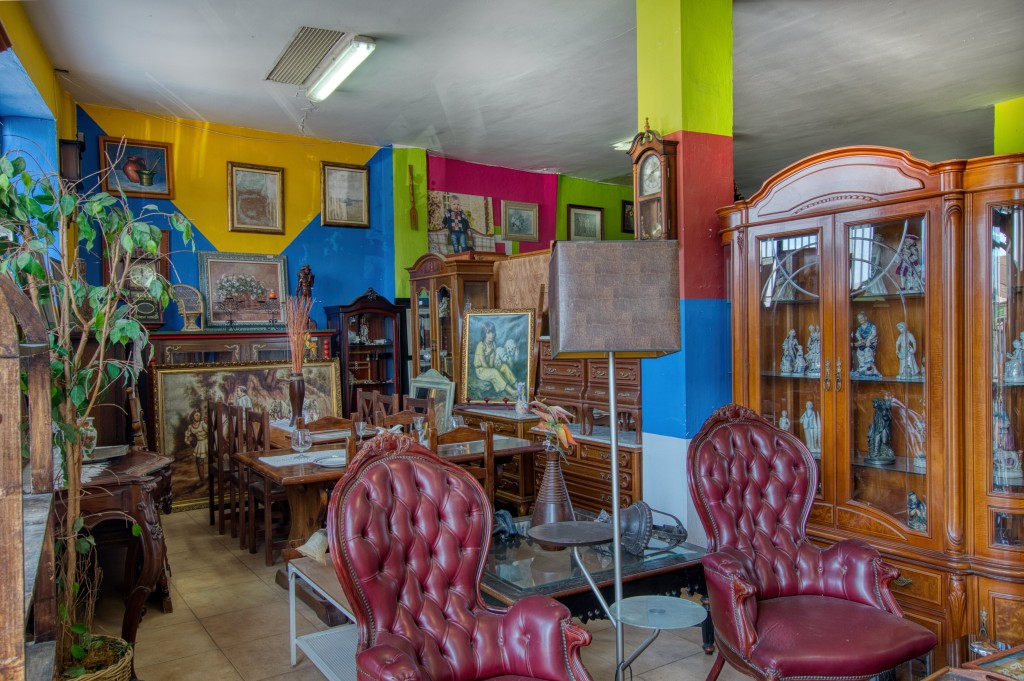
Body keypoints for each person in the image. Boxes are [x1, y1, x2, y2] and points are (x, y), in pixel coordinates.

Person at [473, 321, 518, 397]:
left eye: (493, 332)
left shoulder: (493, 344)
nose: (491, 335)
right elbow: (483, 362)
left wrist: (492, 367)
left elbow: (492, 358)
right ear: (484, 334)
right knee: (494, 372)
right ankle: (512, 392)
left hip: (489, 367)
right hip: (481, 370)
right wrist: (492, 370)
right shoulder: (481, 345)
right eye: (488, 333)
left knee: (504, 366)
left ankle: (518, 387)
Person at [851, 311, 880, 376]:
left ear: (865, 318)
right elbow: (857, 334)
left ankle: (869, 368)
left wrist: (869, 339)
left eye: (861, 318)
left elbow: (874, 333)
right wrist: (860, 339)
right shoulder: (860, 327)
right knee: (859, 352)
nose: (860, 320)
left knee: (867, 351)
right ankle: (862, 367)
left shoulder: (871, 326)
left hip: (871, 342)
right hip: (864, 342)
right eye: (859, 319)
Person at [184, 409, 208, 480]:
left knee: (213, 459)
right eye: (196, 415)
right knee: (199, 462)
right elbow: (187, 436)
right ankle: (202, 479)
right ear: (192, 416)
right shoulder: (190, 427)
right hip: (199, 445)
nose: (198, 417)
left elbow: (210, 432)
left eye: (199, 415)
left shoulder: (202, 424)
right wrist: (189, 440)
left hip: (206, 442)